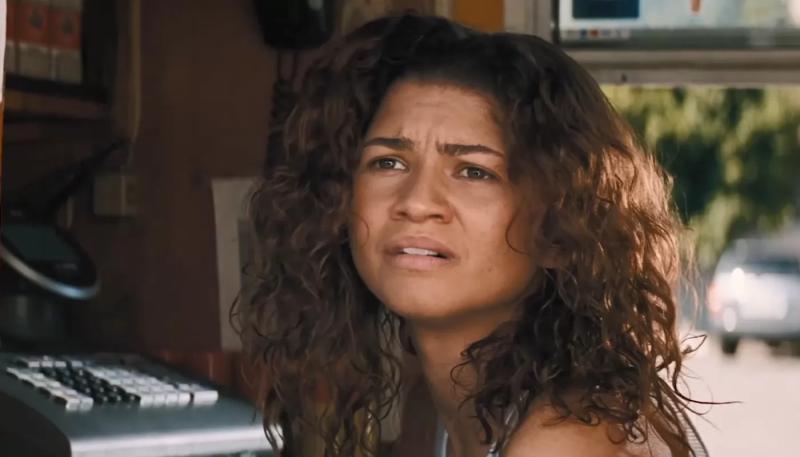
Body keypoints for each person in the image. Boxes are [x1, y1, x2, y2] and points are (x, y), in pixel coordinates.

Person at [236, 13, 709, 457]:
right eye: (388, 162)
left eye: (473, 171)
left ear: (560, 226)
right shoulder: (433, 406)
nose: (416, 201)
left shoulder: (566, 439)